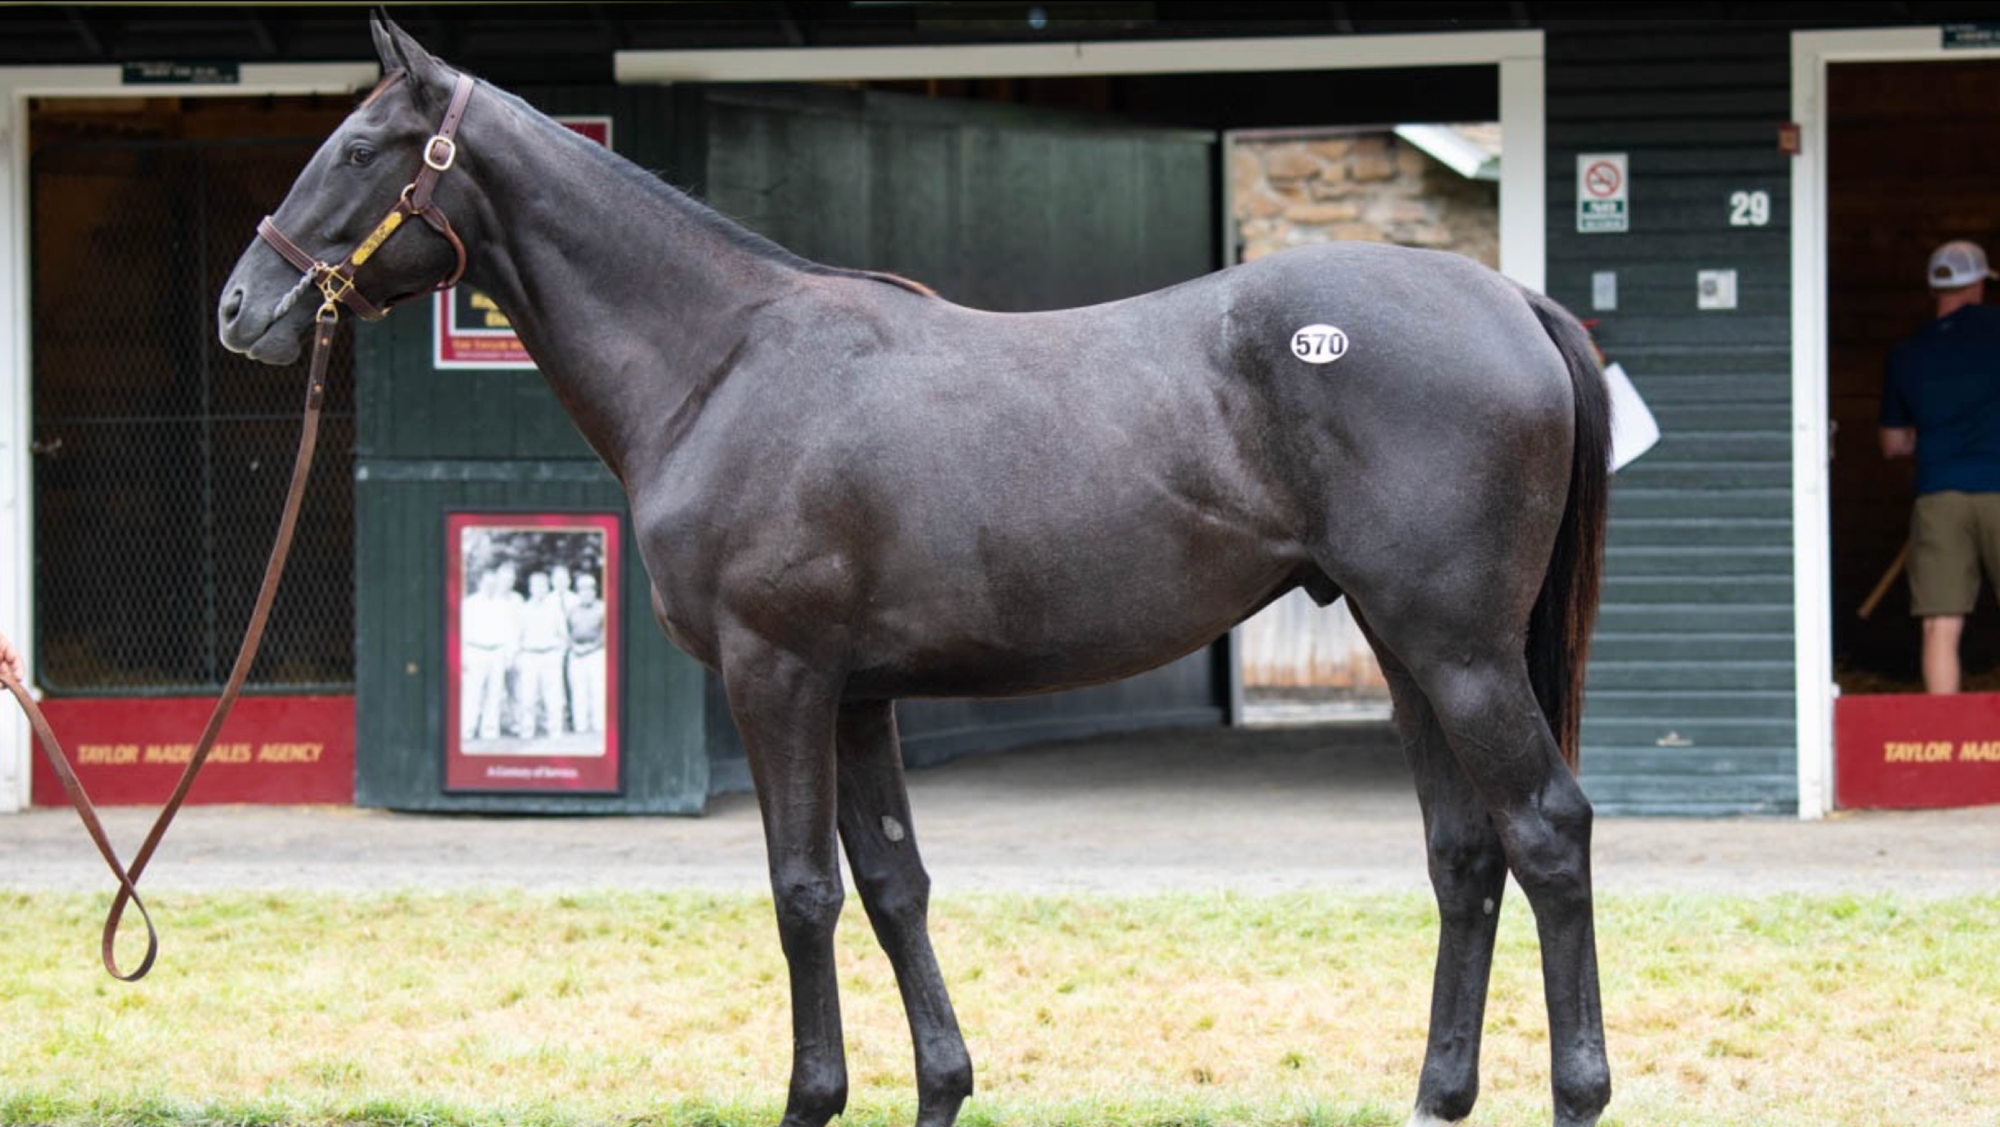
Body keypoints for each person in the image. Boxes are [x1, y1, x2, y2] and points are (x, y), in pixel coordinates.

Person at [1879, 238, 2000, 694]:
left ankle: (1942, 741)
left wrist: (1927, 436)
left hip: (1940, 495)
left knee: (1940, 627)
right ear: (1978, 285)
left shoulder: (1907, 354)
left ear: (1936, 290)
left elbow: (1892, 443)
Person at [565, 572, 608, 737]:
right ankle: (580, 726)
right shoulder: (572, 610)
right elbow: (566, 631)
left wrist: (591, 647)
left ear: (594, 591)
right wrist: (574, 647)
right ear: (578, 591)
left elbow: (606, 633)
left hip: (596, 653)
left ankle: (598, 726)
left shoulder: (602, 608)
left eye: (589, 589)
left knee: (597, 690)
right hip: (576, 654)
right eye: (582, 589)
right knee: (578, 691)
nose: (586, 592)